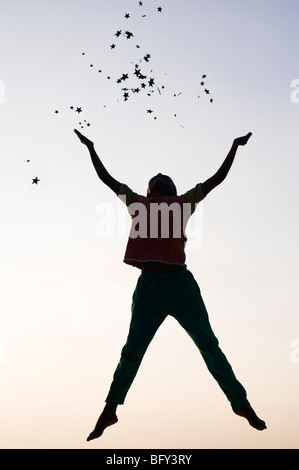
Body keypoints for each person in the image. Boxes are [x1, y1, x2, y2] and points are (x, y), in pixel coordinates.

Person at [74, 129, 267, 441]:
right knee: (132, 352)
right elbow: (106, 179)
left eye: (166, 183)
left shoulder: (179, 203)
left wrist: (233, 147)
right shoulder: (139, 202)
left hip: (179, 285)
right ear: (150, 194)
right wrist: (91, 149)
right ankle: (110, 409)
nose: (162, 180)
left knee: (208, 345)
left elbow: (217, 179)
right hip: (150, 287)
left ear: (172, 192)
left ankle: (240, 403)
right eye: (157, 183)